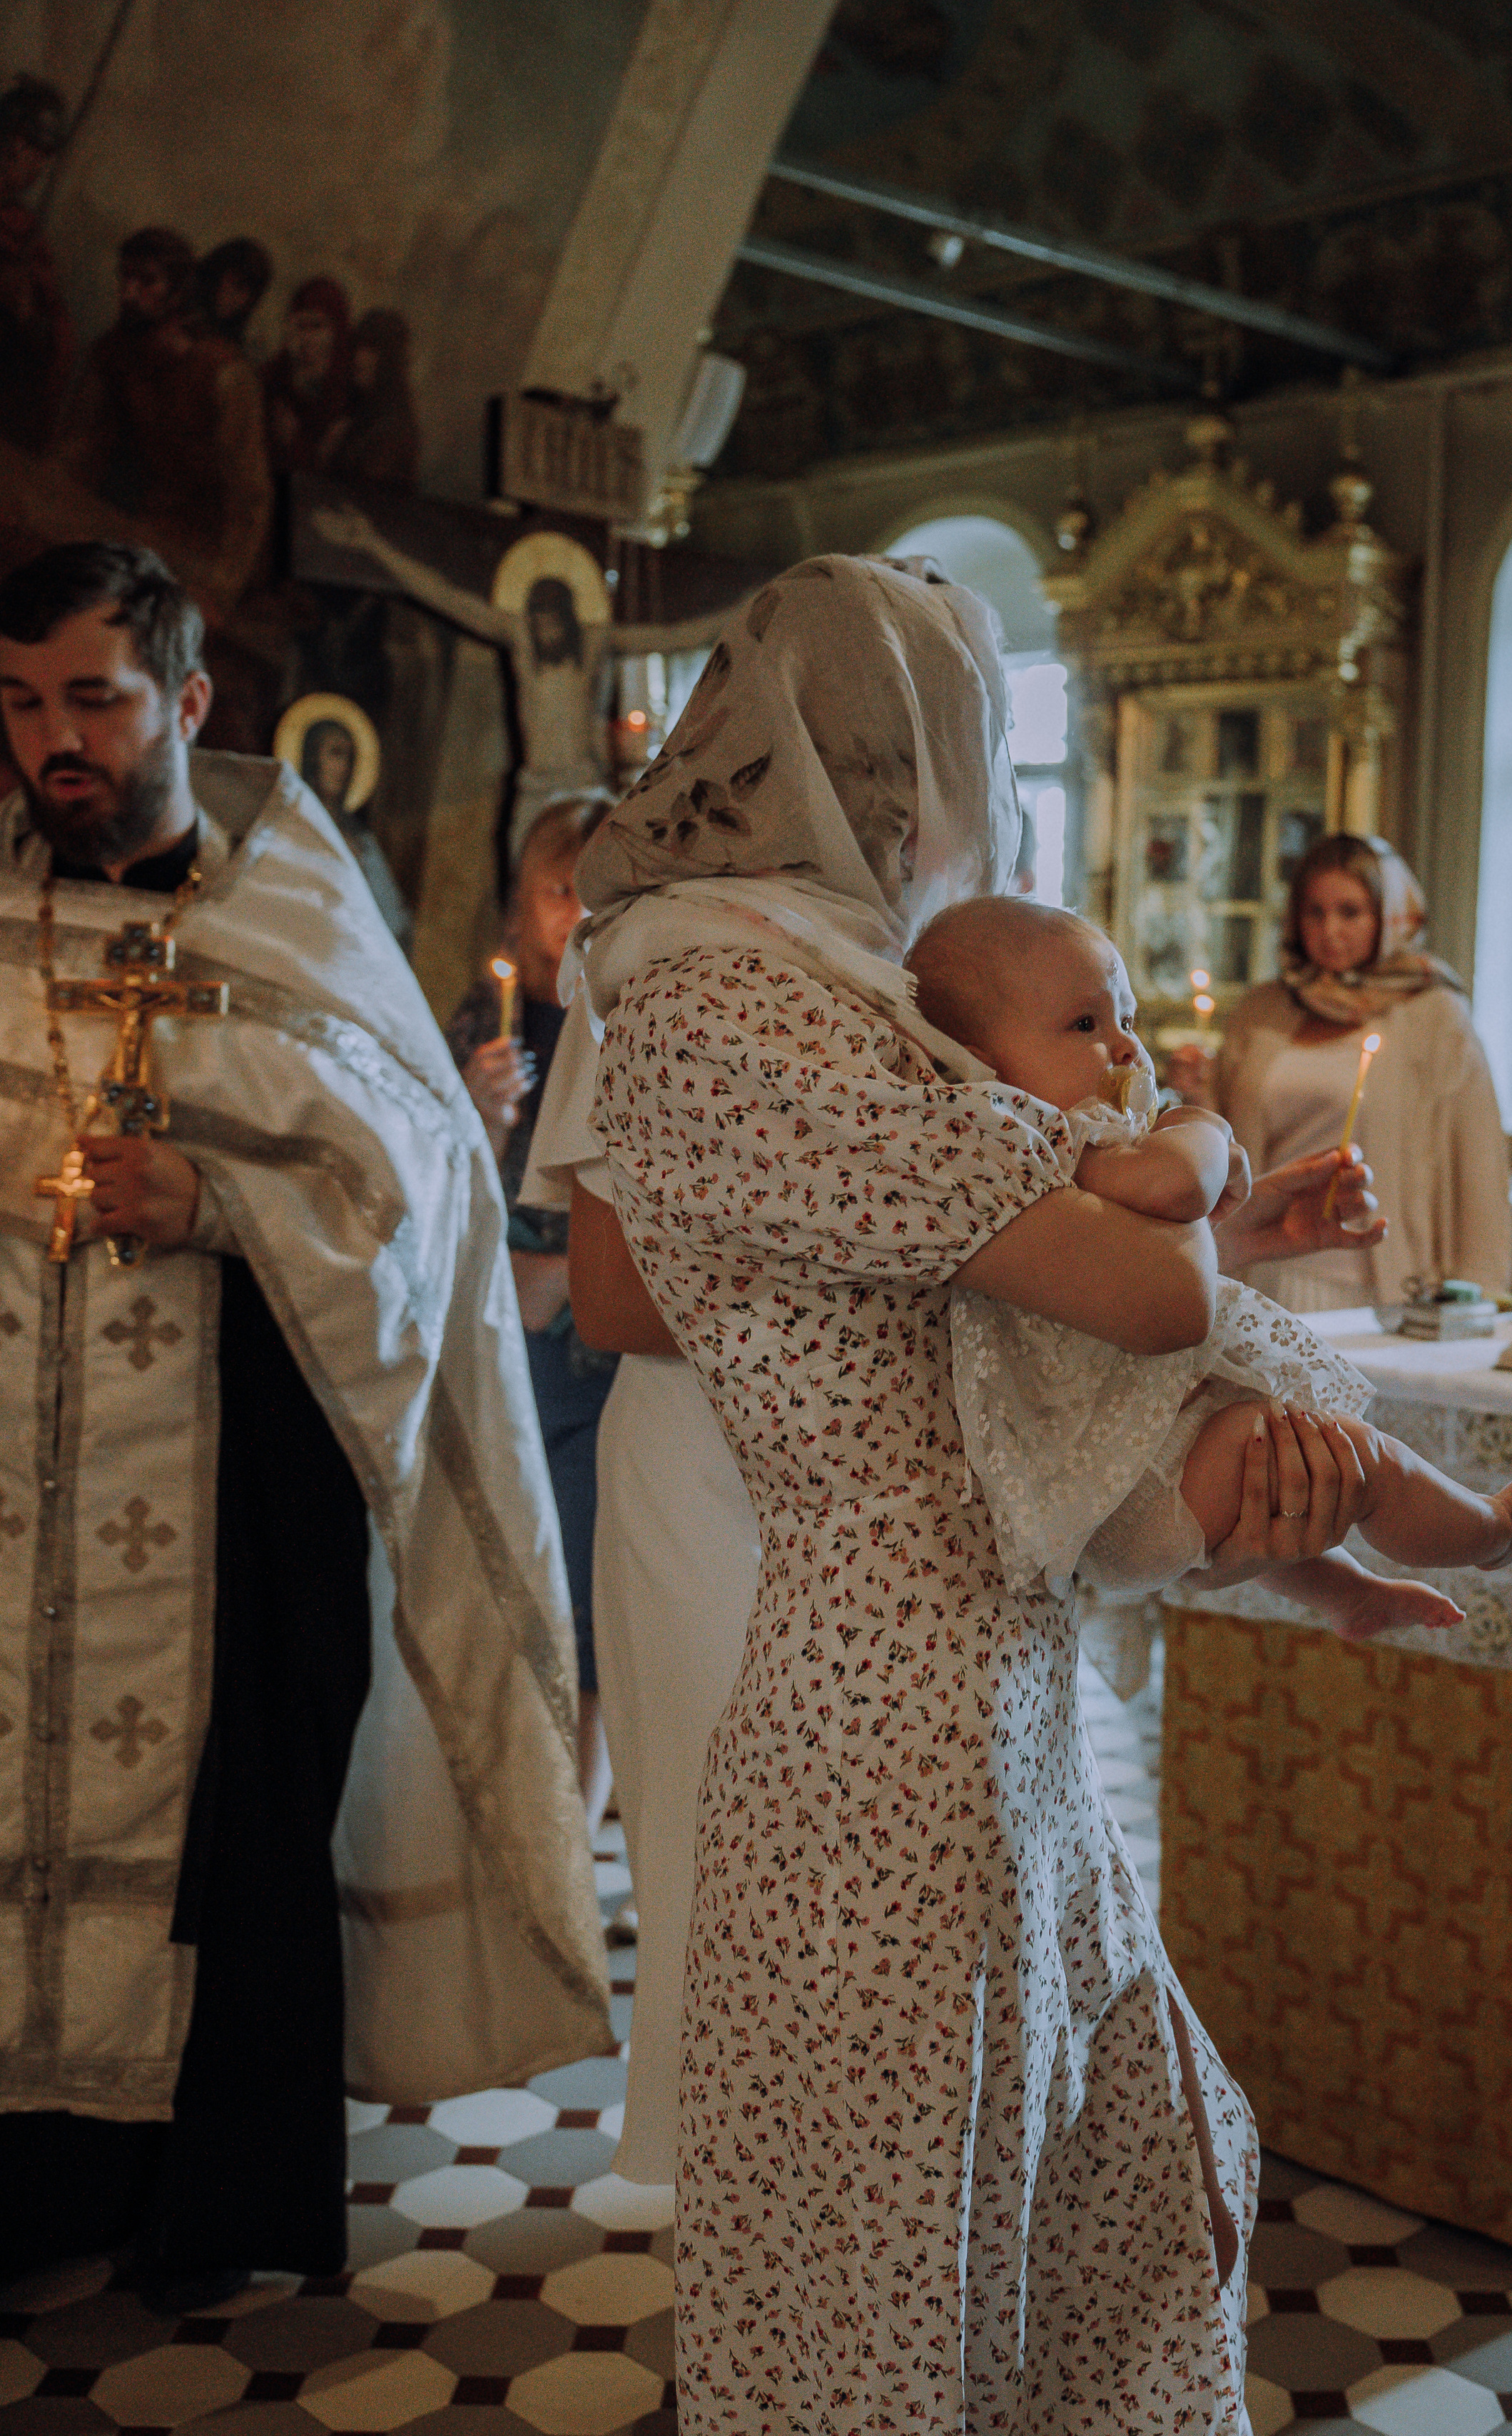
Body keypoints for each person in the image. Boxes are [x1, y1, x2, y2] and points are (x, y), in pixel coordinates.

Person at [562, 552, 1396, 2428]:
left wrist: (1186, 1215)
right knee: (891, 2270)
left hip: (975, 1689)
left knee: (1091, 2191)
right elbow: (1126, 1282)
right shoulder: (735, 985)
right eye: (962, 740)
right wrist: (1177, 1157)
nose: (967, 793)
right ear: (898, 754)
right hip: (881, 1727)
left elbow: (1039, 1316)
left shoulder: (861, 975)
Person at [0, 544, 608, 2304]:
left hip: (239, 1470)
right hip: (17, 1471)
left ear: (186, 703)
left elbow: (424, 1183)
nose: (54, 738)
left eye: (93, 698)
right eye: (24, 700)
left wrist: (221, 1199)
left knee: (231, 1809)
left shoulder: (292, 910)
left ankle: (202, 2205)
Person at [910, 894, 1512, 1632]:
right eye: (1084, 1024)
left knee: (1279, 1463)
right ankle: (1493, 1529)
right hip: (1118, 1490)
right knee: (1349, 1456)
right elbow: (1175, 1184)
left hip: (1108, 1483)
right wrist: (1202, 1125)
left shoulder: (1012, 1161)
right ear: (981, 1060)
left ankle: (1343, 1590)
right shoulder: (1074, 1144)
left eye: (1125, 1018)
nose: (1127, 1047)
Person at [446, 798, 619, 1828]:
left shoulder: (641, 1012)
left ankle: (575, 1827)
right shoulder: (487, 1022)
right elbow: (428, 1174)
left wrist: (565, 1275)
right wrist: (476, 1112)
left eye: (594, 887)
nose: (577, 912)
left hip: (596, 1343)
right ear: (526, 903)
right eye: (559, 891)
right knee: (516, 1572)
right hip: (499, 1336)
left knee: (594, 1597)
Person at [1207, 832, 1512, 1309]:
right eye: (1315, 912)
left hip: (1377, 1277)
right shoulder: (1262, 1010)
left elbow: (1477, 1163)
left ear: (1389, 915)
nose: (1330, 930)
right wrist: (1196, 1092)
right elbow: (1225, 1150)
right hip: (1262, 1268)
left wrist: (1479, 1288)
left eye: (1349, 912)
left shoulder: (1434, 1014)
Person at [309, 502, 617, 859]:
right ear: (529, 613)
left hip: (586, 785)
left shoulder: (593, 645)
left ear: (569, 612)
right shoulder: (520, 642)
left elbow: (664, 637)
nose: (546, 624)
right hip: (536, 789)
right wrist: (373, 544)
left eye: (555, 614)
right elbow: (444, 596)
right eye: (539, 613)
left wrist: (702, 632)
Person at [55, 228, 271, 610]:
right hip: (104, 535)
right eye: (125, 277)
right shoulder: (111, 351)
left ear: (180, 290)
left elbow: (250, 500)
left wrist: (220, 590)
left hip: (183, 562)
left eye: (148, 281)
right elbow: (79, 446)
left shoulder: (226, 376)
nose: (129, 294)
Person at [0, 74, 73, 453]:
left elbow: (54, 345)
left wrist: (27, 314)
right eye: (39, 152)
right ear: (16, 142)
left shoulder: (24, 233)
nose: (42, 166)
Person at [296, 709, 411, 949]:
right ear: (312, 758)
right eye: (336, 753)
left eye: (350, 757)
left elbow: (394, 922)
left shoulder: (362, 841)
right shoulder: (292, 824)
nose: (345, 767)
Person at [263, 276, 352, 474]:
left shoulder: (345, 393)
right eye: (301, 326)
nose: (307, 338)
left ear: (336, 331)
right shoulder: (271, 376)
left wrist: (294, 442)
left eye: (317, 327)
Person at [323, 308, 420, 487]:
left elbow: (367, 488)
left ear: (389, 359)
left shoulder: (394, 427)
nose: (360, 357)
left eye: (372, 348)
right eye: (360, 346)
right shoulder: (359, 409)